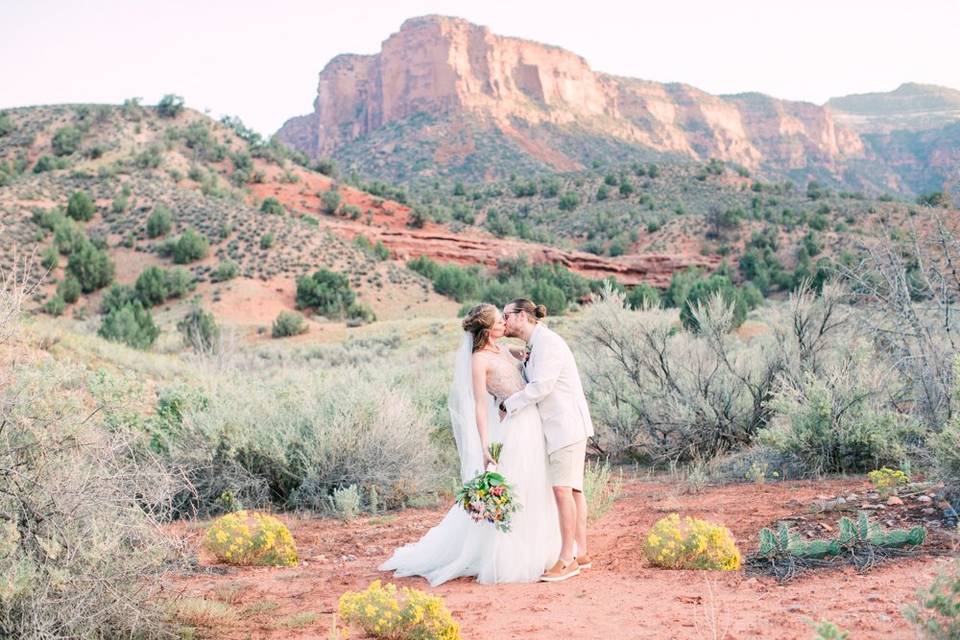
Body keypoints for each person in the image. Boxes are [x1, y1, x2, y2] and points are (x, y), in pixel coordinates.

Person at [379, 304, 560, 585]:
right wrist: (484, 445)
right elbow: (478, 405)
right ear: (488, 331)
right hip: (514, 428)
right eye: (500, 321)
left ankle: (538, 548)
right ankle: (508, 557)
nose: (505, 324)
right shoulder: (478, 360)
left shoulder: (502, 350)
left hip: (531, 423)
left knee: (534, 484)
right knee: (517, 487)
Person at [501, 298, 595, 582]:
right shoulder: (537, 343)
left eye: (506, 316)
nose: (503, 321)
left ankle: (567, 560)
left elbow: (542, 386)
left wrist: (509, 404)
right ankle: (581, 553)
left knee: (562, 490)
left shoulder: (549, 343)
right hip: (563, 427)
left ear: (521, 316)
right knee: (574, 491)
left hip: (564, 427)